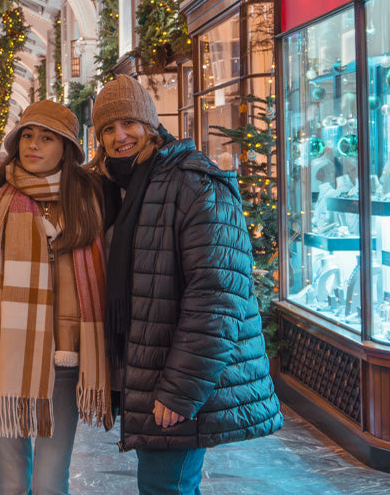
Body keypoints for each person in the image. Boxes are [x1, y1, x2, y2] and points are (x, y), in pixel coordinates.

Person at [92, 75, 281, 495]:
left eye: (128, 123)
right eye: (107, 128)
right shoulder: (119, 189)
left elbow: (217, 298)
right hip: (149, 370)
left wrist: (180, 391)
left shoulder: (194, 183)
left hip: (180, 378)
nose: (119, 136)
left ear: (151, 124)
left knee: (166, 487)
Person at [0, 100, 112, 495]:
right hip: (5, 359)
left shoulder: (89, 204)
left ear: (67, 147)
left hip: (66, 362)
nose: (34, 145)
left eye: (47, 138)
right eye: (27, 136)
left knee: (50, 482)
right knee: (12, 481)